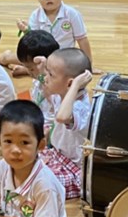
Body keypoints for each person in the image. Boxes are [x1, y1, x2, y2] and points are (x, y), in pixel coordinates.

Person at [38, 47, 93, 199]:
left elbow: (62, 117)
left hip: (72, 168)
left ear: (70, 84)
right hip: (55, 155)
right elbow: (46, 90)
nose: (46, 78)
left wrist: (75, 85)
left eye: (51, 75)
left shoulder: (81, 107)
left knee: (41, 183)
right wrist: (42, 69)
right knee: (17, 166)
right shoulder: (60, 94)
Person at [16, 0, 92, 57]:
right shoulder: (35, 16)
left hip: (65, 58)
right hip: (43, 58)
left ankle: (19, 63)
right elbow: (34, 42)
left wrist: (88, 63)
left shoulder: (72, 14)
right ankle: (9, 58)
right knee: (26, 57)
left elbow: (82, 39)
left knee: (75, 61)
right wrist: (27, 31)